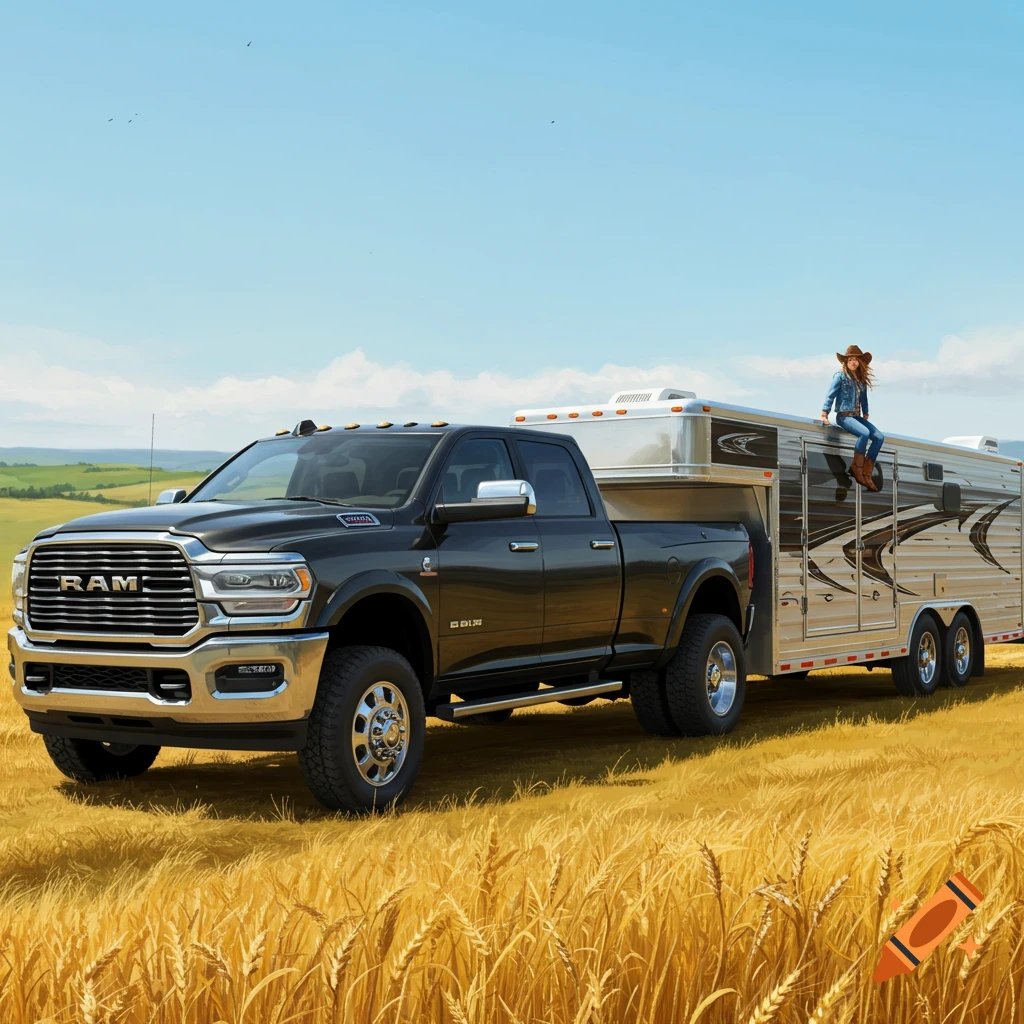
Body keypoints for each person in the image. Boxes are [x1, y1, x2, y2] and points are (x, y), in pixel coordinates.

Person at [820, 345, 884, 491]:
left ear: (860, 362)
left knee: (879, 437)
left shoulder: (860, 380)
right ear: (846, 362)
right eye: (851, 360)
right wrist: (825, 412)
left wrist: (866, 413)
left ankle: (867, 473)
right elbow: (831, 394)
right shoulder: (840, 376)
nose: (854, 362)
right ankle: (857, 467)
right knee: (864, 433)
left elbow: (864, 399)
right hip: (843, 416)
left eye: (856, 360)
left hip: (856, 416)